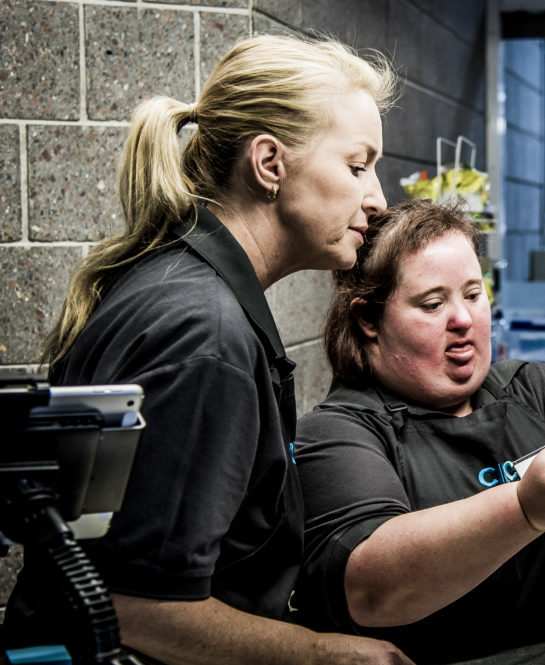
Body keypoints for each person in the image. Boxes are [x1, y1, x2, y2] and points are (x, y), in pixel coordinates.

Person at [4, 34, 415, 665]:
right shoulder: (205, 333)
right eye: (357, 166)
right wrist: (325, 654)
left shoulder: (180, 284)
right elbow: (139, 605)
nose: (378, 199)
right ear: (269, 163)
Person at [292, 198, 545, 664]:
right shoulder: (336, 433)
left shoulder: (534, 389)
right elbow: (373, 589)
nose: (463, 319)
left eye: (473, 294)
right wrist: (525, 506)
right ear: (367, 320)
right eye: (433, 303)